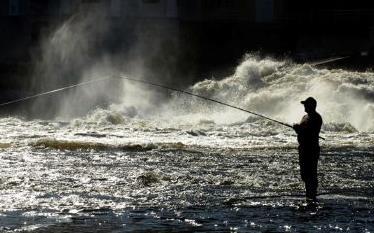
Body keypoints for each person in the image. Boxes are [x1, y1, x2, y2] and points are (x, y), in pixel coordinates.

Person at [293, 97, 323, 203]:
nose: (304, 106)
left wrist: (299, 129)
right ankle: (309, 194)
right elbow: (303, 131)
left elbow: (311, 132)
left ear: (312, 106)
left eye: (306, 104)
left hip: (311, 149)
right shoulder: (305, 117)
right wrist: (298, 129)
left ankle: (312, 195)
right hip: (303, 148)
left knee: (311, 173)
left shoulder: (316, 118)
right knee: (304, 174)